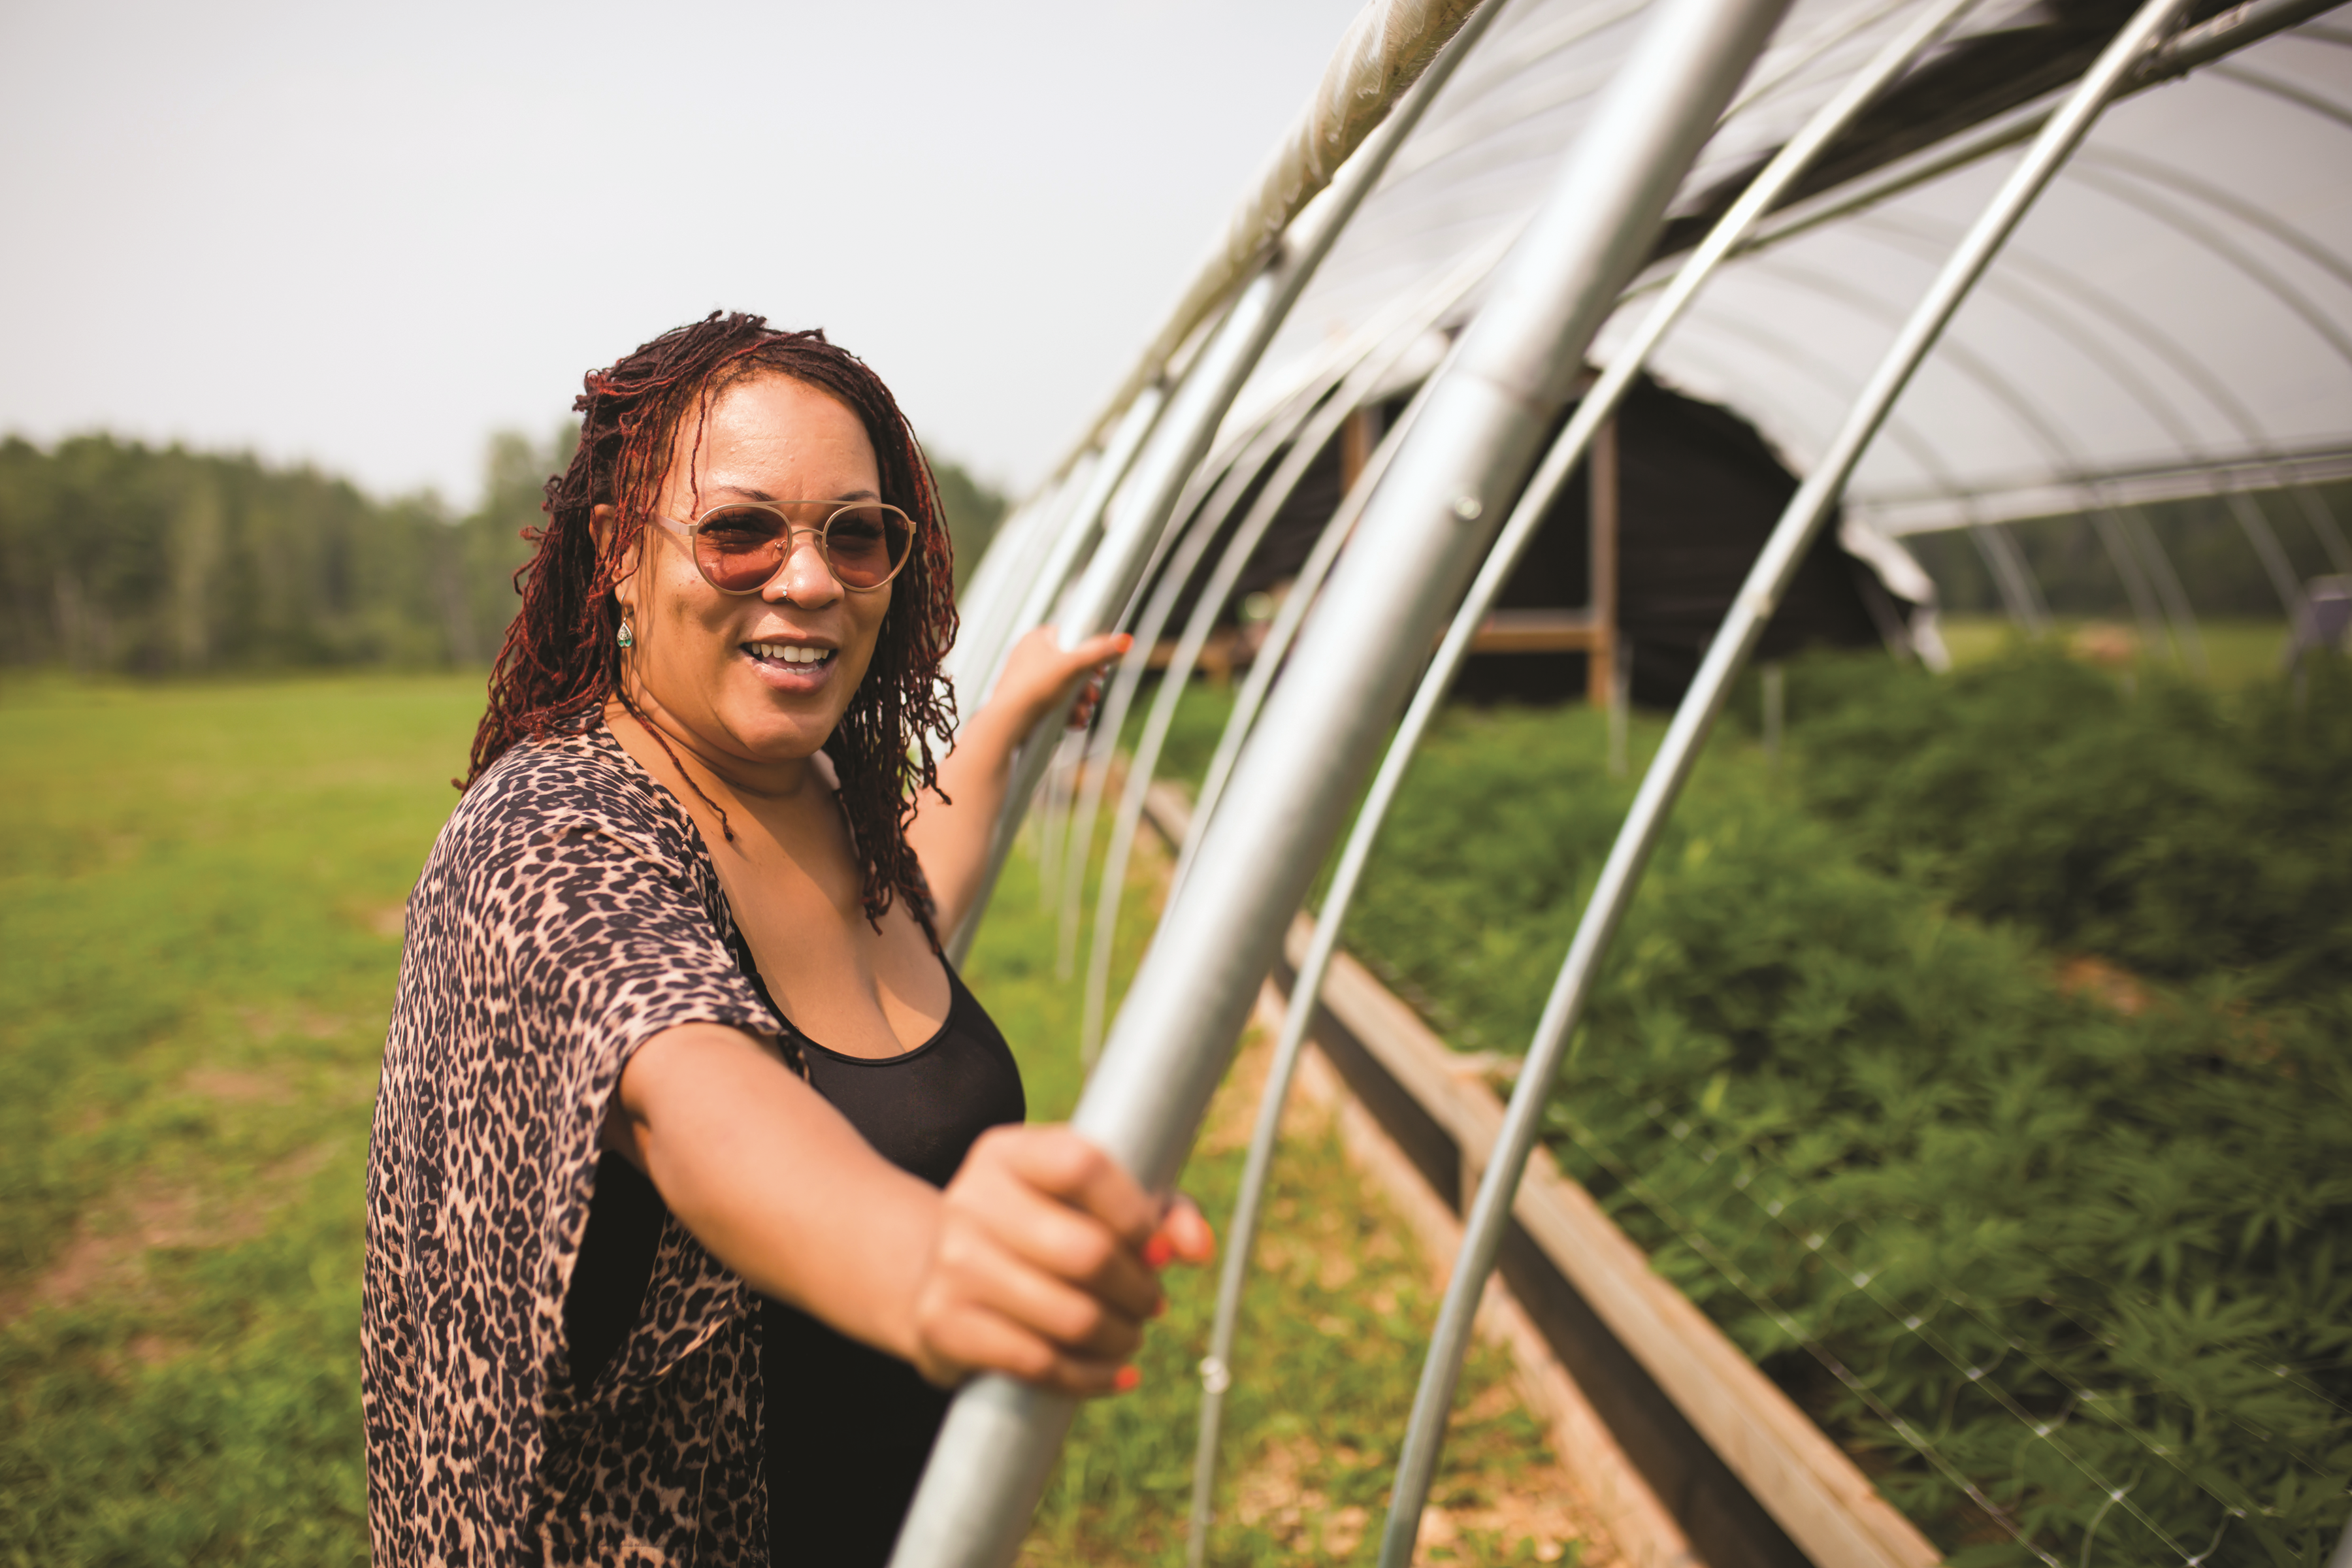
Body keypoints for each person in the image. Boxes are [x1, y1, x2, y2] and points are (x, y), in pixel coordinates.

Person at [363, 312, 1211, 1566]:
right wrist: (930, 1261)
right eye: (740, 528)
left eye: (853, 536)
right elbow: (685, 1096)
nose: (807, 579)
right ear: (617, 553)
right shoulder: (549, 837)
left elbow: (902, 909)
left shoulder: (822, 807)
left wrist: (1010, 721)